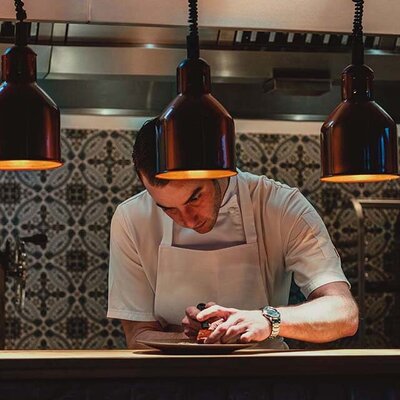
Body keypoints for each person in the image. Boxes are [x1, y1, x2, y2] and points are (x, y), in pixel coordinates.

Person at [107, 118, 359, 349]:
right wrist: (201, 336)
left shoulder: (282, 206)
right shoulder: (131, 218)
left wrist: (267, 320)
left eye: (195, 197)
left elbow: (343, 313)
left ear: (222, 166)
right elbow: (138, 335)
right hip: (171, 383)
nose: (188, 220)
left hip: (265, 380)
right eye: (168, 209)